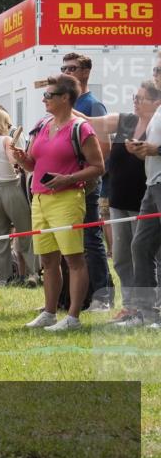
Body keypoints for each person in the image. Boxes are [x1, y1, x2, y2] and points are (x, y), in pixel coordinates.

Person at [11, 74, 105, 332]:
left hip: (67, 198)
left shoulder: (81, 128)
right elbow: (33, 163)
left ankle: (73, 317)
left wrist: (68, 178)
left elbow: (98, 166)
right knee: (48, 260)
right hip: (39, 198)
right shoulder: (42, 124)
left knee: (74, 259)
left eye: (48, 95)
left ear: (65, 98)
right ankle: (50, 312)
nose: (44, 100)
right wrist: (22, 159)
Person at [92, 76, 161, 327]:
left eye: (140, 98)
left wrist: (150, 150)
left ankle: (151, 310)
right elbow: (93, 124)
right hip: (132, 196)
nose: (135, 102)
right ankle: (137, 310)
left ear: (155, 101)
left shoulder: (157, 118)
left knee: (150, 254)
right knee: (130, 253)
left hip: (149, 193)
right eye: (135, 97)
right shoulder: (131, 120)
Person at [62, 53, 111, 311]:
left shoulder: (93, 105)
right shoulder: (64, 104)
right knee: (73, 242)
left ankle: (103, 296)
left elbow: (104, 148)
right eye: (64, 68)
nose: (67, 72)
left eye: (73, 68)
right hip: (67, 185)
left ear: (86, 72)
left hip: (88, 183)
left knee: (92, 239)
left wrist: (84, 169)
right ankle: (76, 296)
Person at [0, 107, 38, 287]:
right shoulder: (6, 139)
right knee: (26, 232)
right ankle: (34, 272)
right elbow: (13, 161)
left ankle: (0, 277)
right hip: (11, 188)